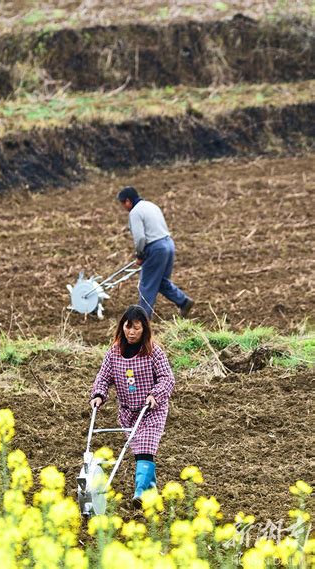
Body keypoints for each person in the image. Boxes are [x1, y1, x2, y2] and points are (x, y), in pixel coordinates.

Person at [89, 305, 175, 507]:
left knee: (145, 448)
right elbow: (104, 376)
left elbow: (167, 378)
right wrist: (99, 394)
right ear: (122, 328)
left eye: (136, 328)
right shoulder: (114, 353)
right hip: (128, 412)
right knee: (139, 451)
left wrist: (155, 395)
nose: (132, 332)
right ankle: (150, 491)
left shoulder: (153, 352)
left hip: (151, 410)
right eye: (128, 327)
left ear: (144, 329)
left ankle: (141, 494)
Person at [117, 186, 194, 319]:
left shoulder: (135, 212)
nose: (124, 207)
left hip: (156, 248)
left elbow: (140, 237)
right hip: (168, 244)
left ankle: (143, 318)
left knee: (146, 284)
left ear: (128, 201)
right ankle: (184, 301)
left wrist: (140, 255)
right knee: (160, 281)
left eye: (123, 203)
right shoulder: (151, 205)